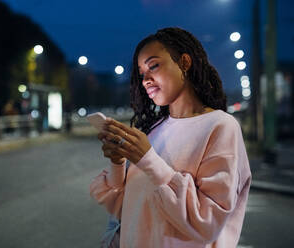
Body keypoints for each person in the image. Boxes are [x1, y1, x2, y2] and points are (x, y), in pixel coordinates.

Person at [89, 27, 251, 248]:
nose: (146, 79)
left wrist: (148, 160)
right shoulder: (155, 129)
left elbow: (208, 222)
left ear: (184, 62)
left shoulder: (221, 126)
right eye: (141, 73)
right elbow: (123, 209)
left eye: (153, 66)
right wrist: (118, 162)